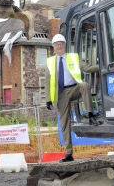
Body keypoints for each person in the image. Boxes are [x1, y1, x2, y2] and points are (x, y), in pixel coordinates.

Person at [45, 34, 101, 163]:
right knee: (64, 123)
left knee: (84, 85)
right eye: (56, 44)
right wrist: (48, 100)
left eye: (61, 44)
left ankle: (91, 114)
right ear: (53, 47)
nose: (59, 46)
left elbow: (87, 68)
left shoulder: (73, 57)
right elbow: (47, 82)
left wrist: (102, 66)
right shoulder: (49, 62)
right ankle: (69, 153)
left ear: (65, 45)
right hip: (60, 94)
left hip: (74, 88)